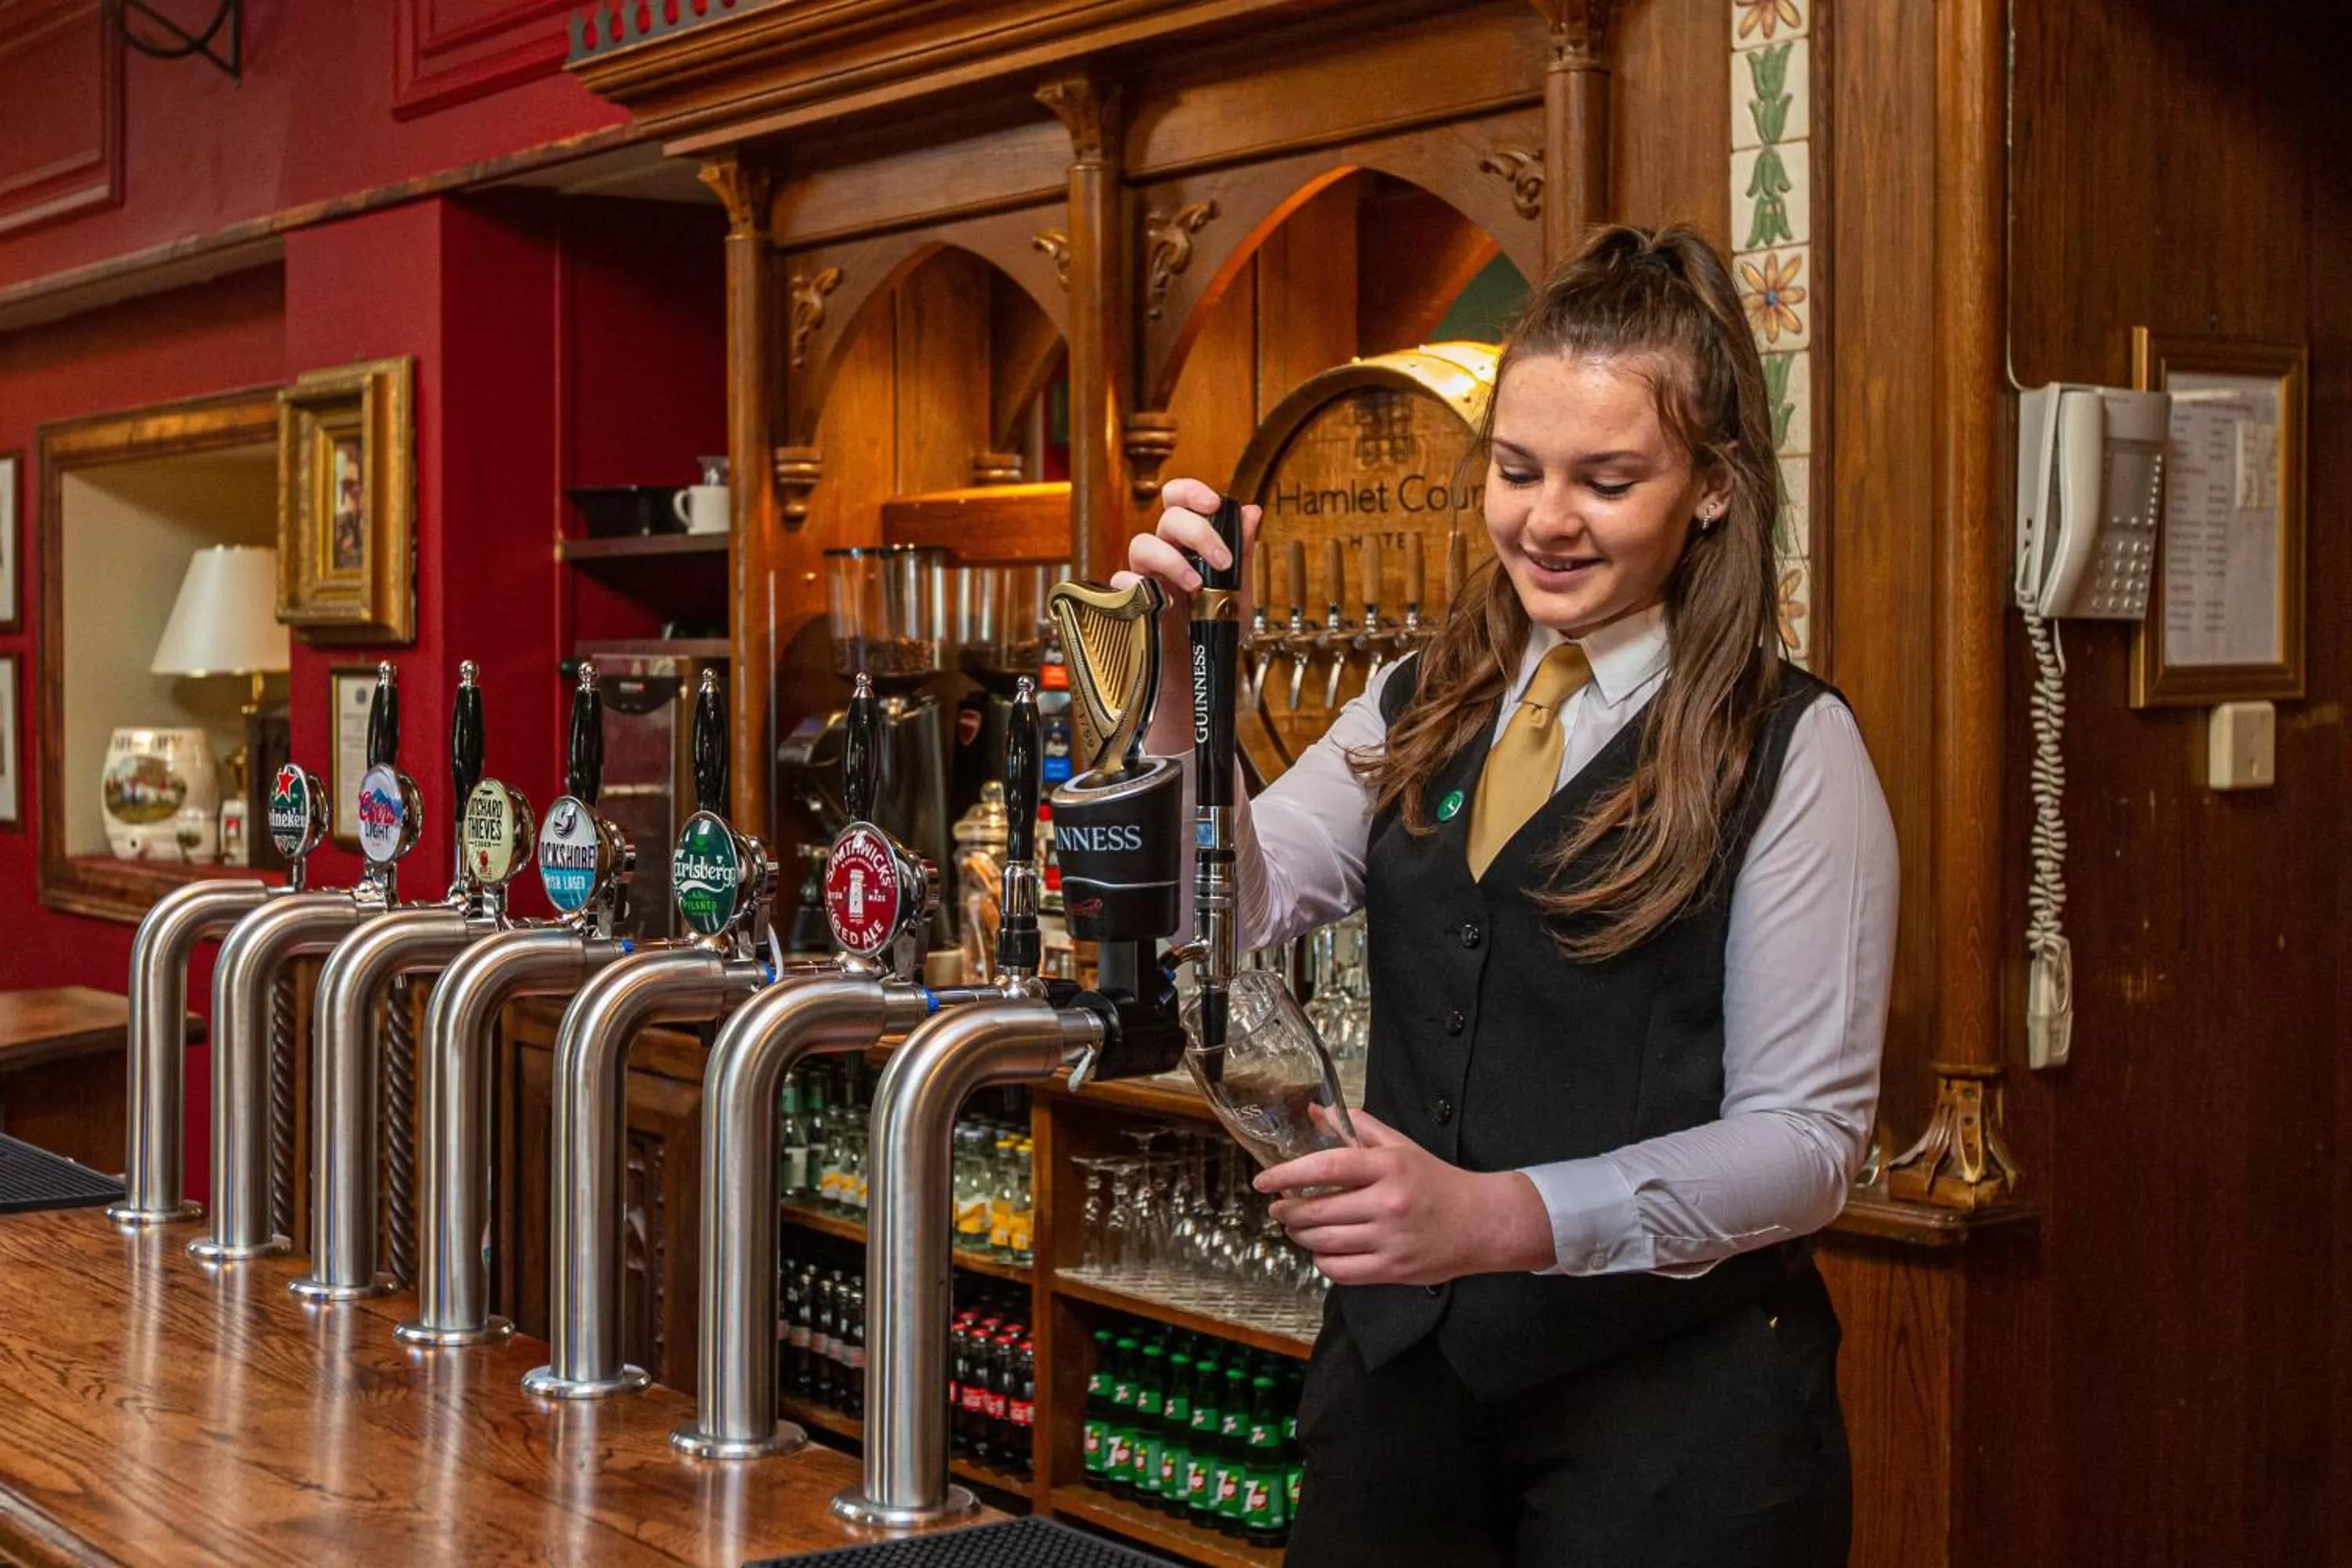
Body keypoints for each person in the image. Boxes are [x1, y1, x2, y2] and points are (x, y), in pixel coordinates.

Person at [1123, 222, 1896, 1566]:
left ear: (1712, 488)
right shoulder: (1419, 700)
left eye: (1608, 480)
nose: (1546, 519)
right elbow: (1223, 908)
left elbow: (1808, 1143)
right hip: (1402, 1395)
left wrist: (1496, 1218)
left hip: (1677, 1433)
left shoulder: (1792, 745)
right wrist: (1179, 671)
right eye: (1519, 470)